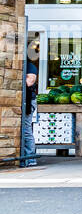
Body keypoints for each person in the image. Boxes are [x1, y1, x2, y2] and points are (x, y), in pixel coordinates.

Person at [21, 40, 39, 168]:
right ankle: (23, 158)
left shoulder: (30, 66)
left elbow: (30, 81)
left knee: (27, 129)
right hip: (22, 101)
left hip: (28, 101)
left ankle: (31, 158)